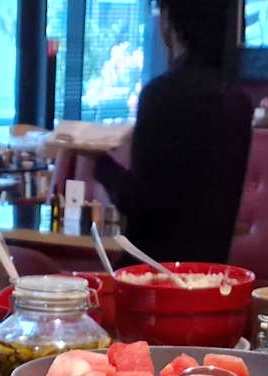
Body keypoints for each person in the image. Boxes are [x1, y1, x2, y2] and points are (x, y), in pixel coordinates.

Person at [92, 0, 252, 264]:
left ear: (170, 23)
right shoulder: (239, 103)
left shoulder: (159, 96)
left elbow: (139, 203)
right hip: (210, 276)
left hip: (150, 274)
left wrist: (99, 163)